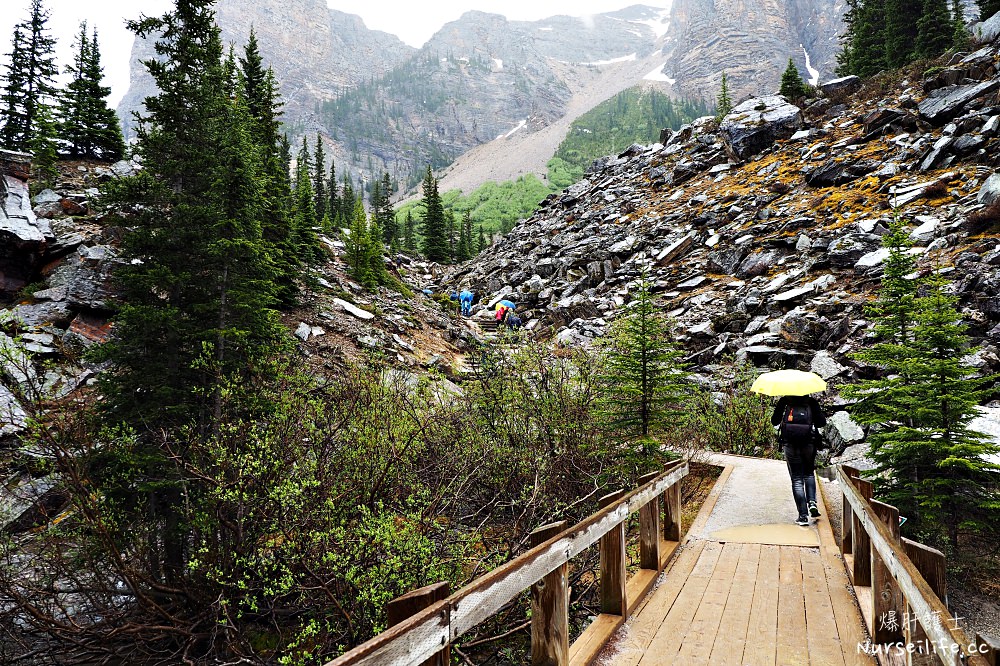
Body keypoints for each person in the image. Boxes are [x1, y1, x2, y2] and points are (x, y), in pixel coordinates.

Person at [771, 394, 826, 526]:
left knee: (796, 479)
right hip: (809, 443)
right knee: (808, 473)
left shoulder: (784, 401)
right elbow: (821, 422)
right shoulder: (811, 402)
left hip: (790, 443)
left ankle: (803, 516)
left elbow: (775, 421)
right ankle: (812, 502)